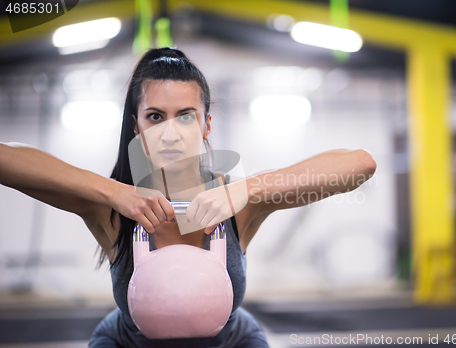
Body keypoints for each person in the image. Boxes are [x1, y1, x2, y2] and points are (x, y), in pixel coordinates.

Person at [0, 47, 377, 348]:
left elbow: (360, 164)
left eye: (185, 116)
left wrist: (247, 188)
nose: (170, 134)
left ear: (206, 123)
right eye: (155, 117)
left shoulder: (239, 202)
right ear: (137, 126)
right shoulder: (110, 209)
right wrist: (114, 192)